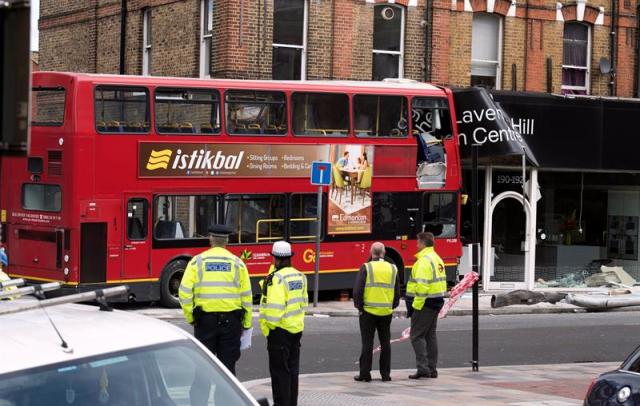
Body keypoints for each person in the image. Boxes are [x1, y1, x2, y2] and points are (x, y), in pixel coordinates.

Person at [179, 224, 253, 376]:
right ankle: (226, 400)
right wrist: (246, 324)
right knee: (228, 372)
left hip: (205, 322)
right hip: (231, 323)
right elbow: (246, 297)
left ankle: (199, 400)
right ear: (226, 242)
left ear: (210, 239)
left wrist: (191, 318)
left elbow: (184, 293)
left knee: (203, 370)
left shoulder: (196, 262)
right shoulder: (238, 264)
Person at [259, 241, 308, 406]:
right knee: (292, 372)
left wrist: (268, 328)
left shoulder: (277, 278)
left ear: (276, 258)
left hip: (279, 331)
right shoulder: (299, 275)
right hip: (296, 330)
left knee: (279, 373)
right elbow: (304, 302)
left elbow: (274, 310)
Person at [353, 242, 400, 382]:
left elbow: (358, 291)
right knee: (385, 343)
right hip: (386, 312)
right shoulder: (393, 268)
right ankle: (385, 375)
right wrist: (392, 306)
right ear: (384, 252)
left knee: (367, 343)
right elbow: (397, 291)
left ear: (371, 252)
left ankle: (365, 374)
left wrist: (360, 307)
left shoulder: (366, 267)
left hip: (368, 312)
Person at [405, 232, 447, 379]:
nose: (416, 245)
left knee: (416, 336)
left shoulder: (423, 261)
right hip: (436, 302)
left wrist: (415, 306)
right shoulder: (437, 259)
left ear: (423, 243)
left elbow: (422, 287)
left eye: (417, 242)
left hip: (424, 304)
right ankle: (431, 368)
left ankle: (423, 369)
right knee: (430, 336)